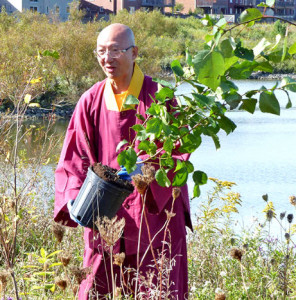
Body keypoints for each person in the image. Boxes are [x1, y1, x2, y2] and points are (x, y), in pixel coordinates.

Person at [54, 23, 192, 299]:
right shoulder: (90, 100)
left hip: (153, 210)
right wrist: (71, 198)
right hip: (103, 210)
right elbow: (74, 158)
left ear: (134, 53)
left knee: (157, 286)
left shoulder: (160, 97)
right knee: (97, 286)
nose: (107, 58)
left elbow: (180, 151)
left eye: (116, 50)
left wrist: (146, 169)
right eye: (101, 52)